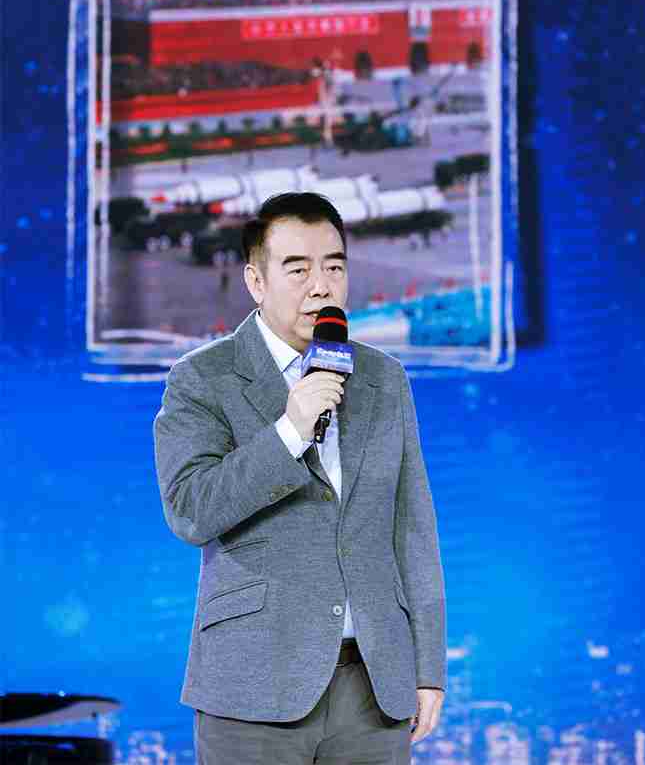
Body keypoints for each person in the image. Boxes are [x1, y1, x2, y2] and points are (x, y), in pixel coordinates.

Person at [153, 191, 447, 764]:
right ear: (255, 281)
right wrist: (289, 431)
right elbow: (190, 509)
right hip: (254, 683)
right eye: (298, 269)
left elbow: (413, 528)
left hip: (375, 686)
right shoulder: (203, 378)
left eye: (334, 267)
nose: (321, 286)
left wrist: (428, 667)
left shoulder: (384, 378)